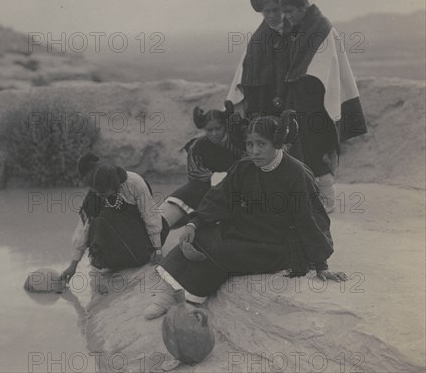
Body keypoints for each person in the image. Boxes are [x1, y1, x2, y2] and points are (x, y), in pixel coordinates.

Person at [144, 111, 348, 320]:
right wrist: (194, 224)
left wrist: (321, 264)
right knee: (201, 236)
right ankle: (166, 295)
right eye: (250, 144)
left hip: (277, 243)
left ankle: (188, 303)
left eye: (261, 144)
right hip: (248, 229)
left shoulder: (296, 173)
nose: (254, 151)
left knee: (221, 248)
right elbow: (220, 197)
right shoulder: (244, 167)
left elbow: (310, 218)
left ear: (276, 143)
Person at [278, 0, 368, 212]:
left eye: (289, 11)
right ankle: (312, 198)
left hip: (318, 100)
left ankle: (328, 201)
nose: (287, 17)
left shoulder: (321, 27)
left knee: (318, 150)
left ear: (302, 7)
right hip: (303, 99)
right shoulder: (301, 29)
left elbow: (324, 65)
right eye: (284, 13)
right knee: (302, 147)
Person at [61, 153, 169, 283]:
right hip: (119, 243)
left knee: (104, 218)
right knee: (97, 221)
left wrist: (157, 250)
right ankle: (104, 265)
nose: (100, 196)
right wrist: (73, 265)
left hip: (140, 243)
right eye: (96, 192)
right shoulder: (96, 193)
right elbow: (85, 227)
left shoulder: (134, 183)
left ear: (113, 185)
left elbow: (150, 215)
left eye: (103, 193)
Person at [159, 101, 246, 229]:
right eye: (209, 130)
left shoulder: (237, 143)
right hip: (204, 187)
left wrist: (226, 179)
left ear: (225, 127)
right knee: (171, 208)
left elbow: (246, 166)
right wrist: (215, 178)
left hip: (235, 189)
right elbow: (195, 173)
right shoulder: (197, 146)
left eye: (218, 128)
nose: (214, 133)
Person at [228, 0, 290, 118]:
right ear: (262, 13)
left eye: (275, 10)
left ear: (282, 10)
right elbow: (255, 74)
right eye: (267, 12)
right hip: (266, 91)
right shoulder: (259, 39)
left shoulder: (291, 29)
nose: (272, 15)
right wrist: (279, 94)